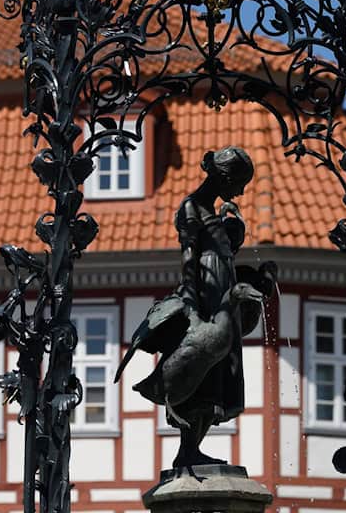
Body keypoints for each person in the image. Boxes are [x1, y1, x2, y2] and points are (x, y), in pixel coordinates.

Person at [115, 146, 275, 468]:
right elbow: (189, 259)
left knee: (217, 377)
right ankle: (188, 451)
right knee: (201, 376)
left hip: (221, 293)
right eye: (239, 183)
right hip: (206, 296)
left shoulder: (212, 212)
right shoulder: (191, 207)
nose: (241, 192)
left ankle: (192, 450)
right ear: (224, 177)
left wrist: (233, 237)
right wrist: (191, 304)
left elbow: (220, 252)